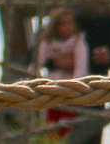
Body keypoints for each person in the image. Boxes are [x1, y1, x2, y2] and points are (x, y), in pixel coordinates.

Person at [65, 0, 110, 144]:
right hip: (63, 87)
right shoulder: (65, 19)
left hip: (95, 90)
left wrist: (108, 58)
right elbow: (40, 54)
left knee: (89, 137)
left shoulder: (109, 21)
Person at [31, 8, 89, 138]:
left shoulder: (78, 41)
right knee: (50, 123)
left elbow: (81, 65)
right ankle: (51, 138)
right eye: (63, 24)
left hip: (71, 90)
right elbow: (37, 61)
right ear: (55, 27)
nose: (68, 27)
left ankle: (61, 138)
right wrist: (32, 80)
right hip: (53, 88)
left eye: (71, 23)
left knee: (66, 123)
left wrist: (75, 87)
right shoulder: (47, 42)